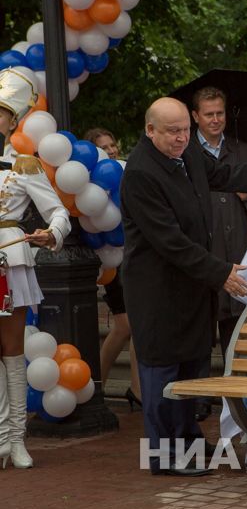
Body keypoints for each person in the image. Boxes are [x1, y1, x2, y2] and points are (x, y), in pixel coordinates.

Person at [120, 97, 247, 477]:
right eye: (173, 132)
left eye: (186, 130)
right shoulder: (140, 173)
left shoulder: (187, 154)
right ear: (150, 130)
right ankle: (164, 454)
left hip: (191, 284)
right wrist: (220, 272)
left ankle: (188, 439)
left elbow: (228, 175)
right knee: (163, 369)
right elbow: (169, 241)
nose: (182, 138)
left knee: (191, 364)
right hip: (157, 290)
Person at [0, 68, 71, 469]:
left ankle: (16, 440)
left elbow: (59, 211)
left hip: (11, 262)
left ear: (12, 122)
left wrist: (52, 233)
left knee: (12, 351)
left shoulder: (25, 165)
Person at [188, 87, 247, 418]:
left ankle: (240, 399)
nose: (215, 119)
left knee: (237, 327)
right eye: (209, 114)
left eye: (220, 113)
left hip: (239, 252)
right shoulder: (186, 153)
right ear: (195, 117)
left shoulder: (244, 151)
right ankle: (200, 400)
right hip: (204, 252)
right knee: (202, 331)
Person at [84, 128, 141, 410]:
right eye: (104, 147)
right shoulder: (91, 181)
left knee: (129, 325)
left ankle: (128, 389)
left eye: (113, 144)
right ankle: (99, 385)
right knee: (127, 325)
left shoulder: (127, 171)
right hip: (109, 256)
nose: (111, 150)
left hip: (132, 254)